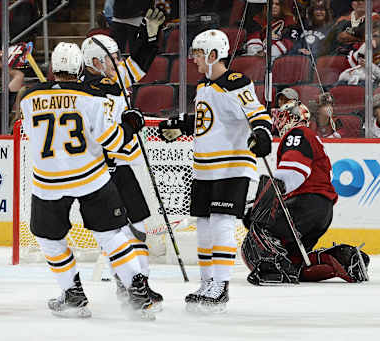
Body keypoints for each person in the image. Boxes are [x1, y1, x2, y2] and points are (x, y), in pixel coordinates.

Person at [19, 42, 156, 320]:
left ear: (53, 69)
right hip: (90, 176)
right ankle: (138, 291)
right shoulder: (93, 97)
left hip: (49, 181)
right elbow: (114, 142)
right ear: (80, 68)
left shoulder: (27, 98)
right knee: (112, 235)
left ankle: (73, 296)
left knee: (49, 239)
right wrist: (131, 124)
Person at [158, 29, 273, 313]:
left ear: (212, 55)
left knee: (221, 221)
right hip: (204, 168)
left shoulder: (235, 83)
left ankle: (220, 286)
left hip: (232, 166)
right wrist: (181, 125)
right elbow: (207, 121)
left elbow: (256, 113)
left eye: (197, 54)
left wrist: (262, 133)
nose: (193, 59)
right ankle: (207, 283)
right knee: (205, 225)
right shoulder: (203, 87)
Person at [80, 7, 165, 310]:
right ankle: (128, 283)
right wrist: (128, 124)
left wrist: (150, 35)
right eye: (112, 58)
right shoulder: (89, 90)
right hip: (102, 171)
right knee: (118, 231)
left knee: (138, 225)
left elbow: (139, 63)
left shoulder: (111, 78)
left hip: (121, 166)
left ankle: (138, 284)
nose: (118, 63)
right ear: (94, 63)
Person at [241, 100, 370, 285]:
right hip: (322, 211)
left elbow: (292, 173)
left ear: (292, 117)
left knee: (259, 230)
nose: (278, 122)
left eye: (282, 117)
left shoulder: (298, 133)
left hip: (304, 205)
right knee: (295, 261)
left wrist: (259, 207)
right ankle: (343, 260)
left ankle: (274, 272)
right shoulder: (309, 136)